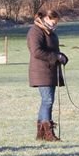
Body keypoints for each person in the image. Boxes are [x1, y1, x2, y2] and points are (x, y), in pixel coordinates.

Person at [27, 8, 68, 141]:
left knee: (47, 101)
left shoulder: (50, 32)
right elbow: (36, 52)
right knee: (48, 100)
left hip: (50, 71)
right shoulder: (35, 31)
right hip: (41, 71)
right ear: (45, 18)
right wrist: (55, 56)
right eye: (53, 22)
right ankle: (48, 133)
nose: (55, 25)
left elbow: (53, 49)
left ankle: (41, 134)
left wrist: (61, 56)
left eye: (56, 23)